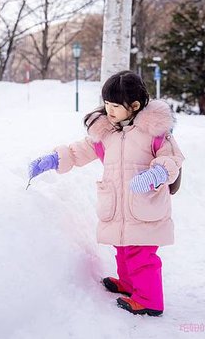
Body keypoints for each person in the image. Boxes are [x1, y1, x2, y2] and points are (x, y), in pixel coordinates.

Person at [29, 70, 184, 317]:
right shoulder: (106, 133)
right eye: (106, 104)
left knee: (141, 255)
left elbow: (172, 160)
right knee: (122, 248)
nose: (109, 111)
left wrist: (157, 174)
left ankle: (150, 300)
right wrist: (54, 159)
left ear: (134, 105)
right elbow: (80, 150)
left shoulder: (155, 134)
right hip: (117, 206)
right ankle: (130, 285)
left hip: (145, 206)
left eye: (115, 106)